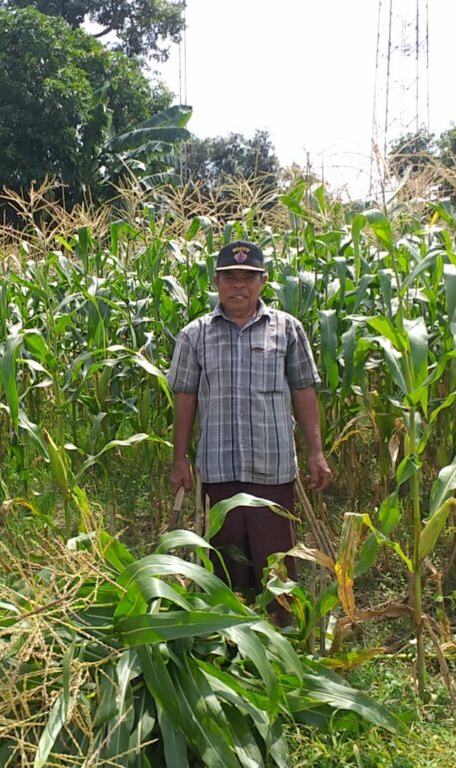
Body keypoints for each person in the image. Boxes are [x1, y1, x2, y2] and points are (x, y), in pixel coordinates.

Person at [167, 240, 331, 618]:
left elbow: (303, 389)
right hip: (218, 472)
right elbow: (185, 399)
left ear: (262, 282)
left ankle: (283, 640)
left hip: (271, 471)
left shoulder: (287, 330)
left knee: (276, 570)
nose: (238, 285)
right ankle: (231, 643)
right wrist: (180, 460)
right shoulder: (195, 335)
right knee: (225, 570)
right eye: (230, 278)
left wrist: (316, 451)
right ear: (216, 282)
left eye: (247, 278)